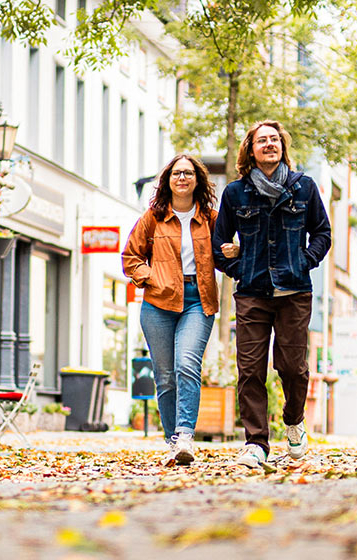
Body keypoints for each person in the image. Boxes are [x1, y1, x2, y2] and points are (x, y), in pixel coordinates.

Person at [212, 120, 332, 468]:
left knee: (292, 368)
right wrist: (242, 269)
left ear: (283, 147)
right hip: (252, 292)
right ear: (250, 149)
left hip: (294, 292)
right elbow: (220, 246)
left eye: (275, 140)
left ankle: (294, 422)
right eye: (262, 140)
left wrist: (303, 262)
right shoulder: (235, 193)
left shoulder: (304, 188)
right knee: (250, 369)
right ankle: (256, 443)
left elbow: (322, 233)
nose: (269, 144)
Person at [123, 154, 237, 466]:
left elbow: (226, 257)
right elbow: (131, 256)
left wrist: (233, 252)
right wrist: (151, 278)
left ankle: (185, 434)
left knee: (187, 363)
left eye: (188, 173)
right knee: (164, 375)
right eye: (176, 173)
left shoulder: (211, 219)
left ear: (198, 180)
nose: (182, 178)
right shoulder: (153, 217)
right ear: (168, 180)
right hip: (158, 303)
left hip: (198, 300)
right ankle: (172, 440)